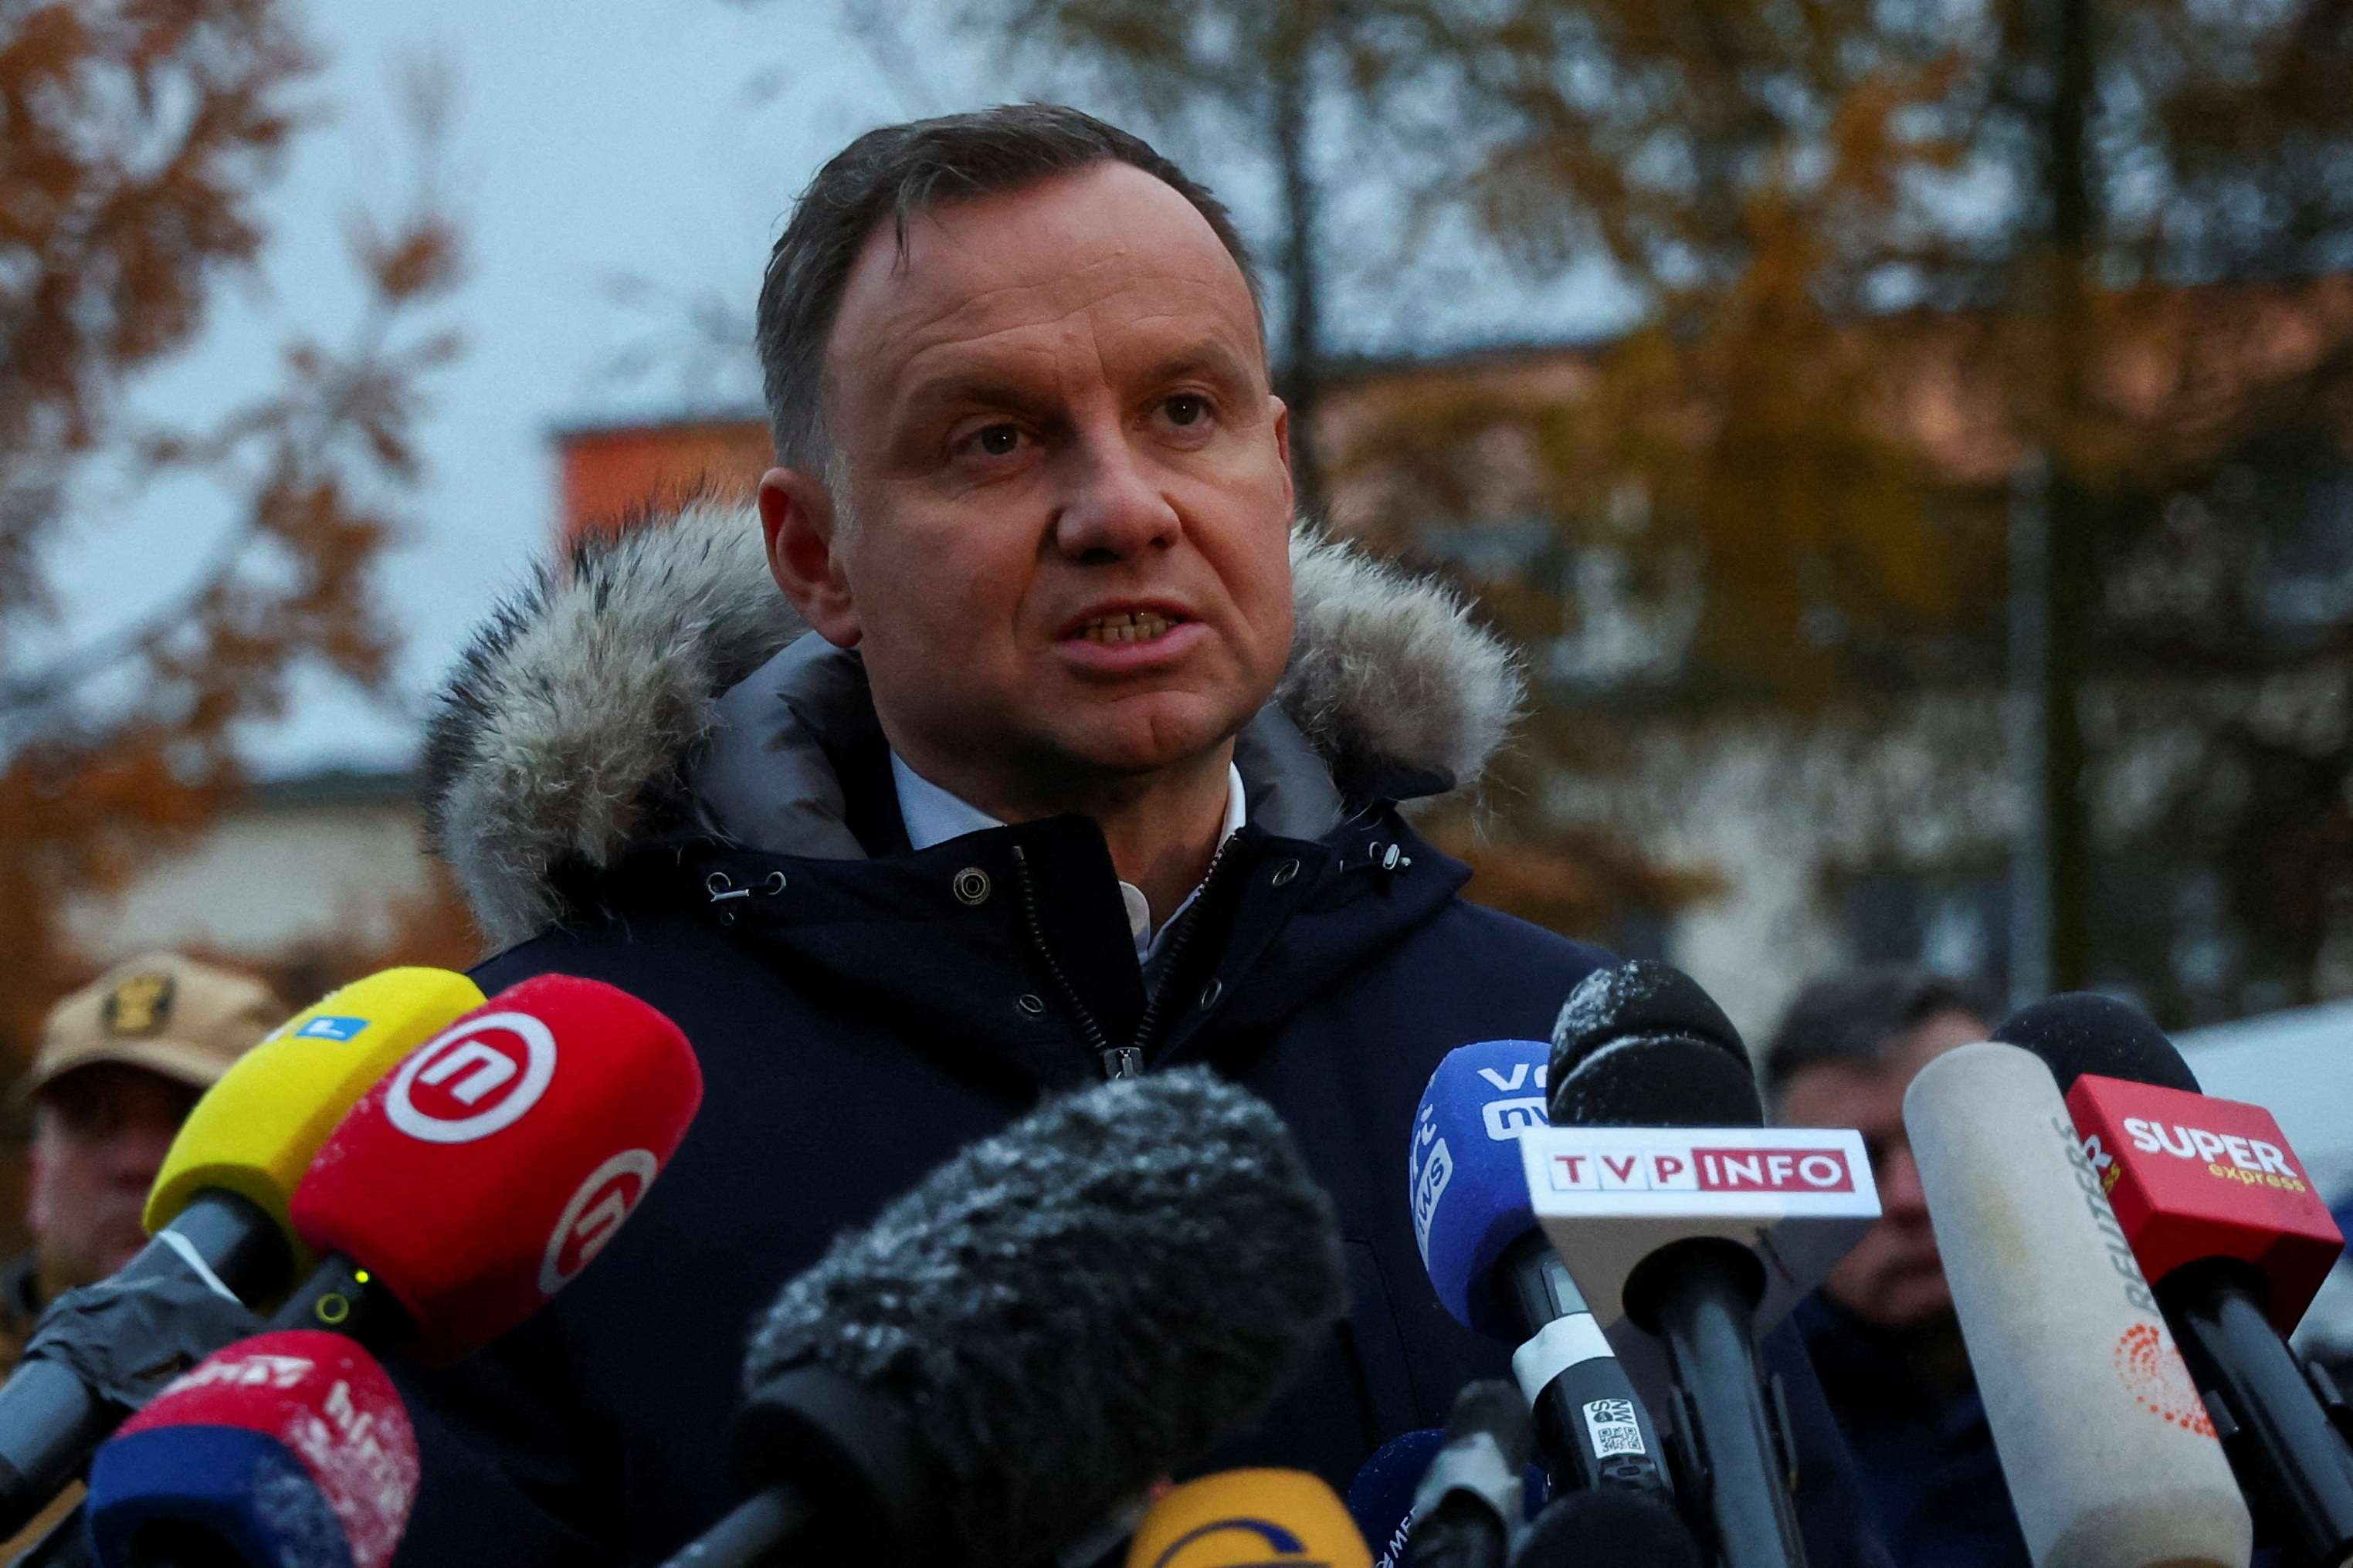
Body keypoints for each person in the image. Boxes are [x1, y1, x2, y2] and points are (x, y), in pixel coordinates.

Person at [401, 105, 1883, 1566]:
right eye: (993, 438)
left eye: (1184, 412)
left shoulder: (1562, 1060)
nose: (1122, 510)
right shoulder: (534, 1122)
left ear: (1278, 470)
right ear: (816, 554)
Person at [0, 951, 283, 1561]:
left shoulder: (379, 1416)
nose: (138, 1162)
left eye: (195, 1114)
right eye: (94, 1119)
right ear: (38, 1174)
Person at [1768, 965, 2029, 1568]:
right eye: (1852, 1162)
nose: (1907, 1197)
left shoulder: (2177, 1367)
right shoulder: (1733, 1420)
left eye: (1945, 1140)